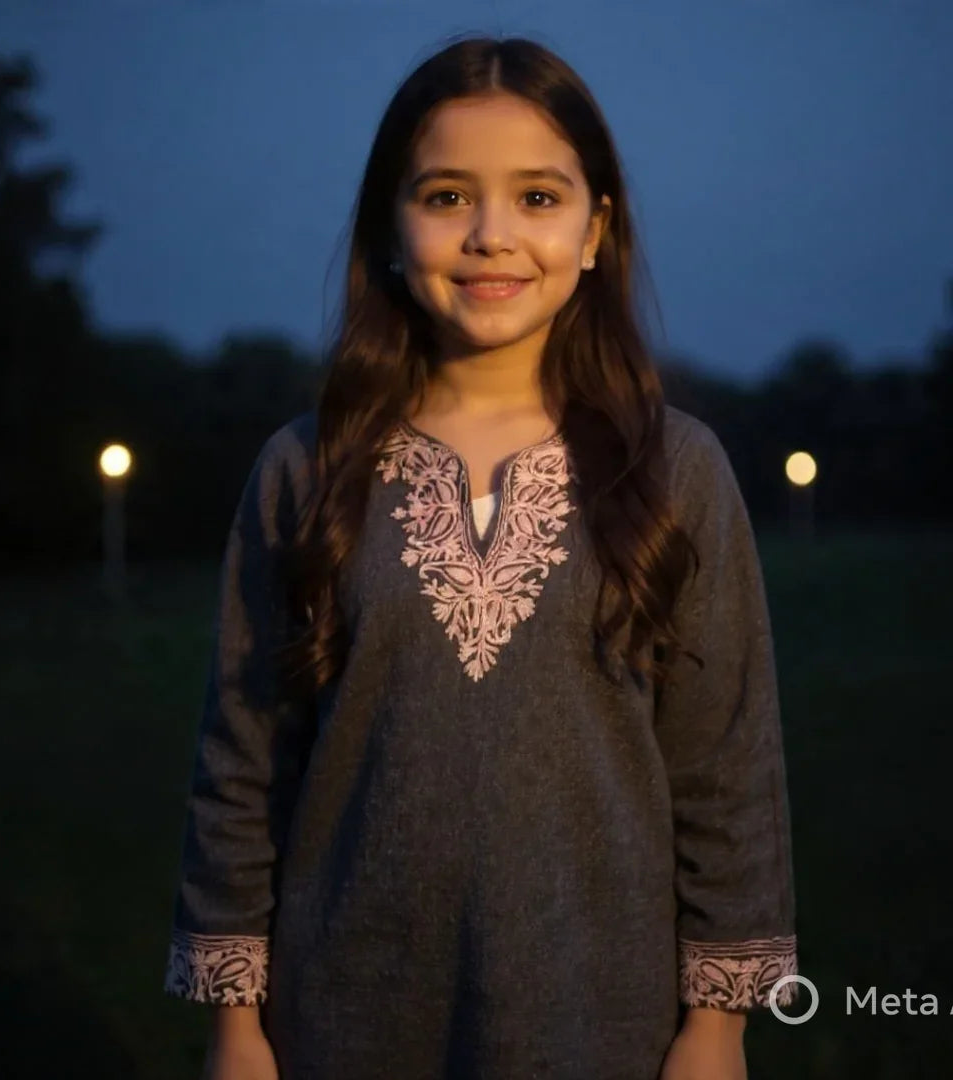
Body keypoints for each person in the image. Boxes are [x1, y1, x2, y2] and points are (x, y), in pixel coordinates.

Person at [162, 34, 798, 1080]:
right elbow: (240, 767)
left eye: (538, 199)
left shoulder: (676, 468)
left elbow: (726, 769)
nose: (492, 235)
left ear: (596, 231)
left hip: (606, 1026)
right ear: (390, 226)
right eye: (448, 196)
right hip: (343, 1024)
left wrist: (715, 1029)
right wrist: (237, 1031)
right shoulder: (303, 468)